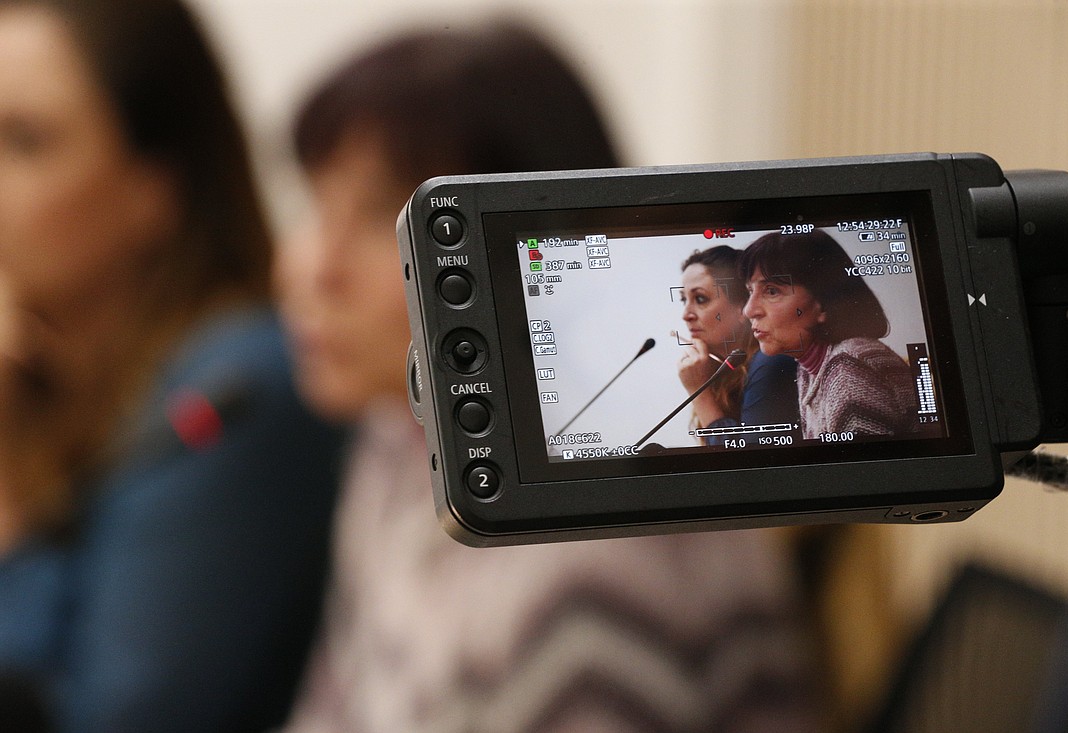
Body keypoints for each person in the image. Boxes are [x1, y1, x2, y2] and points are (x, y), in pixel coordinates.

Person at [278, 21, 824, 733]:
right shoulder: (401, 437)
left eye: (387, 216)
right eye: (316, 204)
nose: (315, 267)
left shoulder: (593, 561)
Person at [0, 1, 346, 731]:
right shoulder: (52, 385)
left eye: (23, 142)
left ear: (153, 189)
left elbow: (121, 715)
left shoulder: (238, 383)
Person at [740, 229, 918, 439]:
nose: (749, 310)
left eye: (771, 291)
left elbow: (868, 471)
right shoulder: (811, 369)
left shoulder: (850, 369)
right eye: (750, 291)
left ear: (824, 303)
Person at [678, 245, 799, 443]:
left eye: (700, 299)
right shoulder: (724, 369)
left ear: (742, 307)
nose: (686, 315)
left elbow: (747, 463)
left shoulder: (769, 361)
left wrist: (699, 393)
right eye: (684, 300)